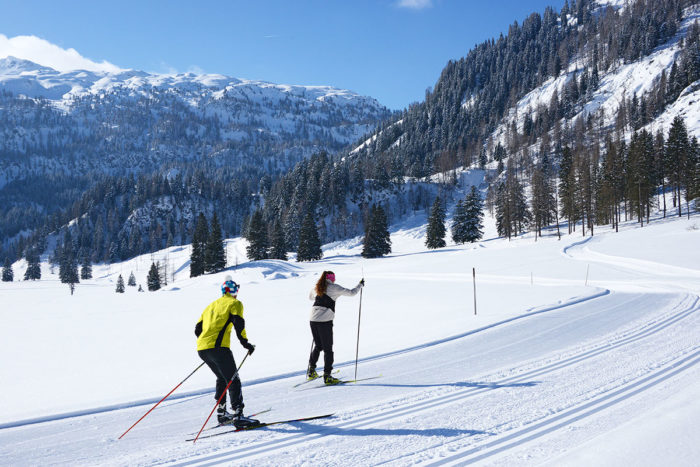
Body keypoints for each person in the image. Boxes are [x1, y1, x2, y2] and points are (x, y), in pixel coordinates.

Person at [195, 275, 258, 428]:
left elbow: (197, 329)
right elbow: (239, 324)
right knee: (233, 380)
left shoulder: (210, 305)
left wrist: (207, 343)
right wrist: (246, 344)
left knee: (222, 378)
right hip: (219, 349)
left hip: (202, 348)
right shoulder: (235, 303)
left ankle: (222, 414)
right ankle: (238, 415)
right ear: (234, 290)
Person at [307, 270, 364, 385]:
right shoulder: (334, 287)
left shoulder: (317, 287)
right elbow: (352, 293)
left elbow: (310, 297)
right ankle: (327, 377)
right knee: (328, 349)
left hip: (313, 319)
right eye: (333, 278)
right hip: (325, 320)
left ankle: (311, 371)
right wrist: (360, 285)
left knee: (318, 346)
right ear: (331, 278)